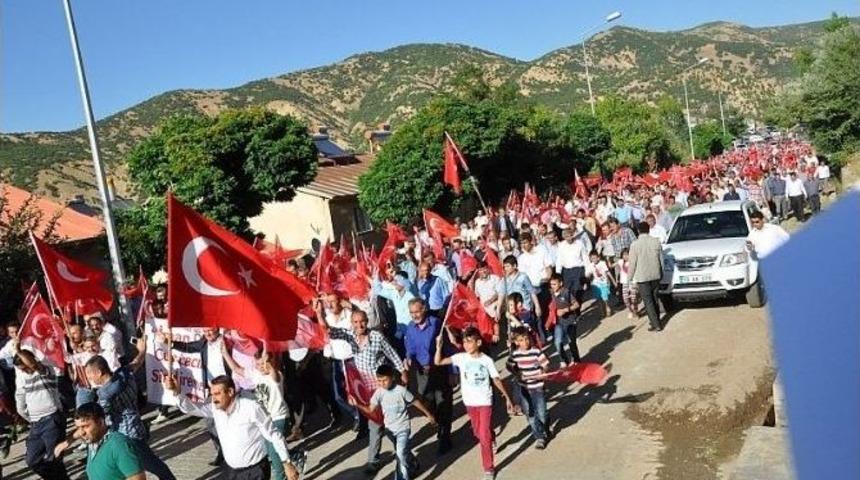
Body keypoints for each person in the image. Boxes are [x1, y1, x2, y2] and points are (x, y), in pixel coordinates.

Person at [72, 338, 176, 480]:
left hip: (125, 433)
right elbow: (136, 363)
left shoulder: (105, 395)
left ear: (98, 372)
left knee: (146, 464)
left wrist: (71, 438)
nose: (89, 378)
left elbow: (97, 417)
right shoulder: (124, 373)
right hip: (137, 426)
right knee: (152, 463)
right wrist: (142, 351)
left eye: (90, 374)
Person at [166, 375, 303, 480]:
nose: (214, 399)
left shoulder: (251, 408)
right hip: (232, 471)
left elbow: (274, 435)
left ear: (230, 391)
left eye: (218, 393)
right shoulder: (215, 409)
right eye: (212, 394)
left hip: (255, 471)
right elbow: (191, 408)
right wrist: (176, 393)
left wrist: (287, 463)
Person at [320, 310, 408, 474]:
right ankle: (375, 461)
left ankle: (406, 458)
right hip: (367, 391)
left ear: (367, 321)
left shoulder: (376, 337)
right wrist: (319, 313)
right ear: (352, 323)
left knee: (388, 424)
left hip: (383, 388)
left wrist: (402, 372)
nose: (359, 325)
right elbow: (329, 330)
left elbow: (392, 354)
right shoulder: (350, 336)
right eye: (355, 322)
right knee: (374, 425)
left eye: (362, 322)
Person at [434, 327, 518, 480]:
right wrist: (438, 347)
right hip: (470, 402)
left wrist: (508, 398)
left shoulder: (486, 360)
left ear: (478, 342)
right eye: (464, 342)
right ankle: (491, 436)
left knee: (483, 436)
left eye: (470, 342)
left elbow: (496, 379)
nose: (466, 345)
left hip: (485, 401)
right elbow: (438, 362)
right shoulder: (461, 358)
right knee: (478, 433)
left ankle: (488, 468)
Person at [351, 364, 436, 480]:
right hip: (389, 430)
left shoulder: (401, 391)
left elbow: (415, 402)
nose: (382, 383)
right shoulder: (379, 393)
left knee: (400, 454)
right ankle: (413, 463)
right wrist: (357, 404)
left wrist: (429, 414)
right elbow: (370, 409)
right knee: (402, 450)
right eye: (379, 381)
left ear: (393, 378)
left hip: (403, 428)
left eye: (385, 380)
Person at [221, 345, 292, 480]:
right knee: (270, 449)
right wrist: (225, 353)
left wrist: (267, 356)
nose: (261, 366)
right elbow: (237, 369)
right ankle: (295, 457)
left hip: (278, 417)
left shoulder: (276, 375)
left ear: (271, 362)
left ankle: (281, 476)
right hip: (265, 419)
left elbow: (274, 374)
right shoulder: (256, 374)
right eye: (258, 364)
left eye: (264, 363)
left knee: (273, 453)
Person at [167, 327, 231, 466]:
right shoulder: (203, 343)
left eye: (211, 330)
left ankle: (230, 451)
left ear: (218, 329)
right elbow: (188, 347)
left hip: (227, 389)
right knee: (210, 422)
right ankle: (220, 451)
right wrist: (171, 343)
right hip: (211, 389)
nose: (207, 333)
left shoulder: (227, 341)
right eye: (205, 331)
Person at [12, 343, 70, 479]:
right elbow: (20, 404)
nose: (25, 371)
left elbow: (33, 365)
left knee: (54, 459)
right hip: (36, 423)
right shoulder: (21, 379)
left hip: (52, 419)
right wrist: (29, 418)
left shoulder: (46, 371)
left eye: (25, 367)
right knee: (32, 460)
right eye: (21, 369)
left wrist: (18, 350)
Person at [403, 299, 452, 455]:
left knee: (444, 403)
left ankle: (444, 438)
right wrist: (408, 357)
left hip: (439, 370)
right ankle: (438, 421)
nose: (414, 315)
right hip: (422, 373)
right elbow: (409, 348)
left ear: (424, 309)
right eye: (411, 313)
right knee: (427, 401)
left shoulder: (437, 324)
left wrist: (453, 371)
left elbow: (449, 348)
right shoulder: (410, 328)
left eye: (417, 311)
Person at [71, 402, 145, 480]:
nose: (81, 433)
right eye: (78, 428)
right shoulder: (93, 442)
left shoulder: (118, 444)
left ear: (100, 422)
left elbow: (137, 478)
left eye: (85, 426)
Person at [508, 327, 550, 449]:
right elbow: (509, 366)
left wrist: (544, 371)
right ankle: (540, 437)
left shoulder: (536, 352)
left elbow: (546, 365)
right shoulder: (515, 354)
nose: (525, 342)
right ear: (516, 342)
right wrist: (518, 374)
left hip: (538, 387)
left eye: (526, 339)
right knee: (531, 416)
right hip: (524, 388)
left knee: (542, 414)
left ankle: (546, 426)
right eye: (521, 340)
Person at [628, 222, 665, 332]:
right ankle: (656, 320)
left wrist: (629, 278)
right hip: (655, 274)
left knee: (648, 301)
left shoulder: (635, 245)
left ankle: (656, 324)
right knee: (654, 298)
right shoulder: (656, 242)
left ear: (638, 231)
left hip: (643, 276)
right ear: (648, 229)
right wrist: (661, 273)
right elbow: (661, 260)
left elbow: (632, 263)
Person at [545, 274, 580, 367]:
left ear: (560, 283)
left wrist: (565, 310)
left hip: (570, 322)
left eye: (554, 284)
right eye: (551, 284)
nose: (552, 286)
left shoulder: (566, 292)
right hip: (559, 323)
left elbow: (576, 304)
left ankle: (576, 360)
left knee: (571, 342)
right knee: (557, 342)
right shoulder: (551, 293)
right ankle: (564, 360)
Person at [588, 250, 615, 318]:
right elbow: (589, 274)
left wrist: (613, 281)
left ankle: (607, 308)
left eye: (595, 258)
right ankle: (602, 311)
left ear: (598, 257)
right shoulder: (591, 265)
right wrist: (588, 277)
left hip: (604, 283)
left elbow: (608, 272)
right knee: (599, 298)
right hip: (596, 284)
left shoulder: (602, 263)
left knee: (605, 298)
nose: (594, 260)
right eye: (592, 258)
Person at [618, 249, 640, 320]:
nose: (625, 256)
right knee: (625, 299)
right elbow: (612, 265)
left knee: (634, 298)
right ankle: (630, 310)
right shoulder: (620, 262)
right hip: (625, 282)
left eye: (627, 254)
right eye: (624, 255)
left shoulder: (633, 262)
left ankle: (635, 311)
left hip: (633, 281)